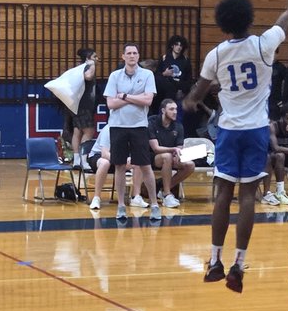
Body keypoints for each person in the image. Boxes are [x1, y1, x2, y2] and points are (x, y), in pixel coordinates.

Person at [184, 0, 288, 292]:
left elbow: (194, 97)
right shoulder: (264, 45)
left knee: (223, 194)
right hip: (254, 130)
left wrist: (196, 98)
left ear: (223, 23)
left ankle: (215, 260)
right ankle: (238, 264)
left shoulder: (216, 54)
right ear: (250, 18)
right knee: (248, 195)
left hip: (227, 130)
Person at [104, 43, 161, 222]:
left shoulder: (147, 75)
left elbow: (148, 100)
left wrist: (125, 96)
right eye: (128, 53)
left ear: (138, 56)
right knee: (119, 165)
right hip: (118, 126)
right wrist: (136, 99)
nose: (132, 56)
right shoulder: (114, 76)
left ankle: (154, 205)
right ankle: (121, 205)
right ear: (123, 56)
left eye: (135, 53)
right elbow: (111, 104)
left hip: (139, 126)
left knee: (145, 165)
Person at [147, 98, 194, 208]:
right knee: (167, 157)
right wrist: (173, 150)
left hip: (170, 156)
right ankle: (167, 195)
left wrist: (178, 154)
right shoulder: (152, 123)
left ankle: (163, 190)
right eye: (171, 109)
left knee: (190, 165)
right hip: (153, 157)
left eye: (176, 109)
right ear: (163, 110)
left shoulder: (178, 126)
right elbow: (156, 148)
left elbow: (179, 147)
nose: (175, 112)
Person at [262, 104, 288, 206]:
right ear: (282, 118)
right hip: (273, 159)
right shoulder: (273, 126)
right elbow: (276, 148)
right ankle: (279, 191)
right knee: (280, 155)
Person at [69, 48, 98, 167]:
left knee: (77, 131)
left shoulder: (77, 69)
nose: (97, 59)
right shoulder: (88, 67)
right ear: (88, 58)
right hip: (84, 105)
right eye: (94, 57)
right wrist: (92, 66)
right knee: (89, 131)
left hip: (76, 104)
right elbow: (88, 77)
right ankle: (83, 159)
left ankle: (76, 160)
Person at [155, 35, 193, 109]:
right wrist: (164, 74)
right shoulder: (164, 58)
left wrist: (183, 90)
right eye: (176, 45)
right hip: (164, 89)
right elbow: (156, 76)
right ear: (172, 45)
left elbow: (189, 79)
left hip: (178, 88)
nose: (178, 47)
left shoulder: (185, 61)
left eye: (181, 45)